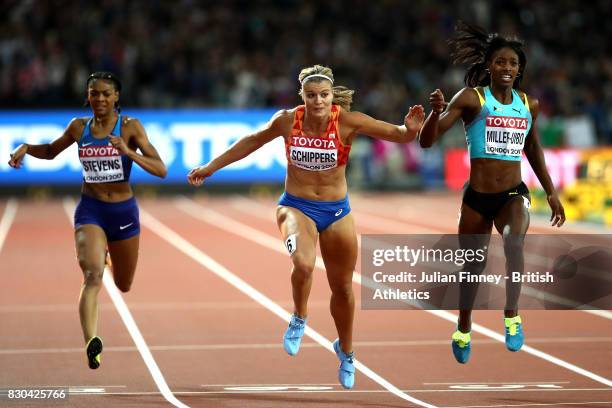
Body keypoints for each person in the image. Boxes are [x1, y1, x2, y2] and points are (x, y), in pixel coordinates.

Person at [187, 64, 424, 388]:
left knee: (342, 288)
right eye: (311, 96)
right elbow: (251, 141)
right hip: (296, 206)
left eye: (324, 95)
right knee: (303, 263)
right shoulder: (287, 121)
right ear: (302, 96)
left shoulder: (348, 122)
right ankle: (299, 316)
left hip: (337, 211)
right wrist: (211, 167)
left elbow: (398, 134)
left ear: (331, 97)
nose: (318, 101)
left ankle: (346, 350)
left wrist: (409, 130)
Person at [418, 22, 565, 364]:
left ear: (520, 69)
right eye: (500, 62)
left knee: (514, 242)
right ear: (489, 66)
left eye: (513, 64)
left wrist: (551, 192)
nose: (507, 68)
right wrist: (436, 114)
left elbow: (533, 147)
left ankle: (511, 316)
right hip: (477, 198)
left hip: (513, 194)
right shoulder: (472, 98)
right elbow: (427, 141)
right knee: (473, 267)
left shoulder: (528, 104)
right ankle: (464, 325)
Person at [8, 72, 167, 369]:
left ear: (117, 97)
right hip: (90, 210)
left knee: (124, 283)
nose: (100, 99)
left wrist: (127, 151)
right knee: (92, 275)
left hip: (123, 212)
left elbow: (161, 169)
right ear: (88, 96)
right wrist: (27, 148)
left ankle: (110, 255)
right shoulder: (78, 127)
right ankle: (91, 341)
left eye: (106, 94)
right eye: (94, 94)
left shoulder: (131, 127)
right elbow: (51, 151)